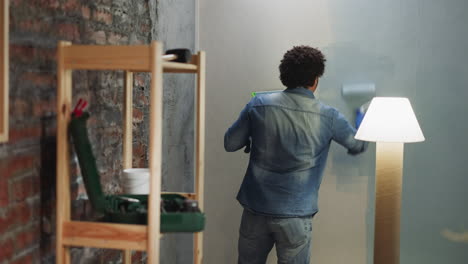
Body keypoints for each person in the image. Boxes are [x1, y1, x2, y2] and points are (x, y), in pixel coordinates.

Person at [224, 45, 368, 264]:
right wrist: (360, 113)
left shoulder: (259, 104)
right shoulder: (328, 116)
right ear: (316, 79)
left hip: (256, 210)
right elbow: (357, 145)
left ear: (285, 75)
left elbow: (230, 143)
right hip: (296, 216)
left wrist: (252, 136)